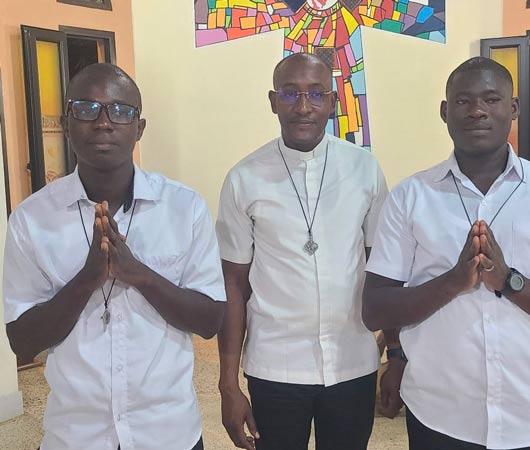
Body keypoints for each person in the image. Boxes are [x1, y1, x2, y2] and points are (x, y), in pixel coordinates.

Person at [362, 56, 530, 450]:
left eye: (491, 99)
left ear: (513, 108)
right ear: (444, 111)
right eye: (463, 101)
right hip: (439, 418)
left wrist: (509, 281)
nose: (477, 111)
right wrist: (454, 282)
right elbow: (375, 309)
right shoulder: (410, 197)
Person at [3, 63, 226, 450]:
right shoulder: (31, 220)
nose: (103, 123)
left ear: (139, 128)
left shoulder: (184, 208)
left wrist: (139, 274)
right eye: (86, 109)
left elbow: (209, 321)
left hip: (169, 433)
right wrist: (86, 280)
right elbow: (23, 341)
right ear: (66, 123)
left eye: (121, 111)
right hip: (75, 436)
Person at [216, 52, 388, 450]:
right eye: (290, 94)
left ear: (333, 101)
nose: (304, 106)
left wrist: (393, 352)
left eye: (316, 93)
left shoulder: (364, 170)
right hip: (276, 363)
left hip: (352, 359)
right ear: (273, 101)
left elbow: (383, 270)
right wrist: (228, 384)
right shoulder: (244, 179)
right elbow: (233, 285)